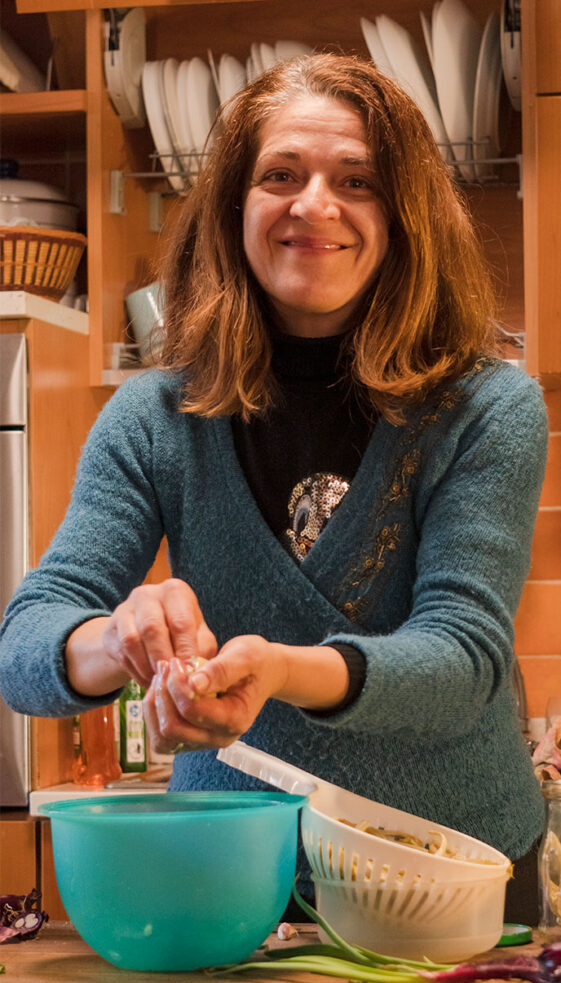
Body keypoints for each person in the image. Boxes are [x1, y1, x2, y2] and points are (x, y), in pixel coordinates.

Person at [0, 54, 548, 923]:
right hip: (229, 865)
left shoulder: (487, 408)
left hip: (446, 871)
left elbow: (463, 658)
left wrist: (277, 670)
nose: (312, 205)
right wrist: (116, 639)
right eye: (279, 175)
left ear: (408, 217)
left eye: (357, 180)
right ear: (233, 208)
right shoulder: (154, 416)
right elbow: (23, 648)